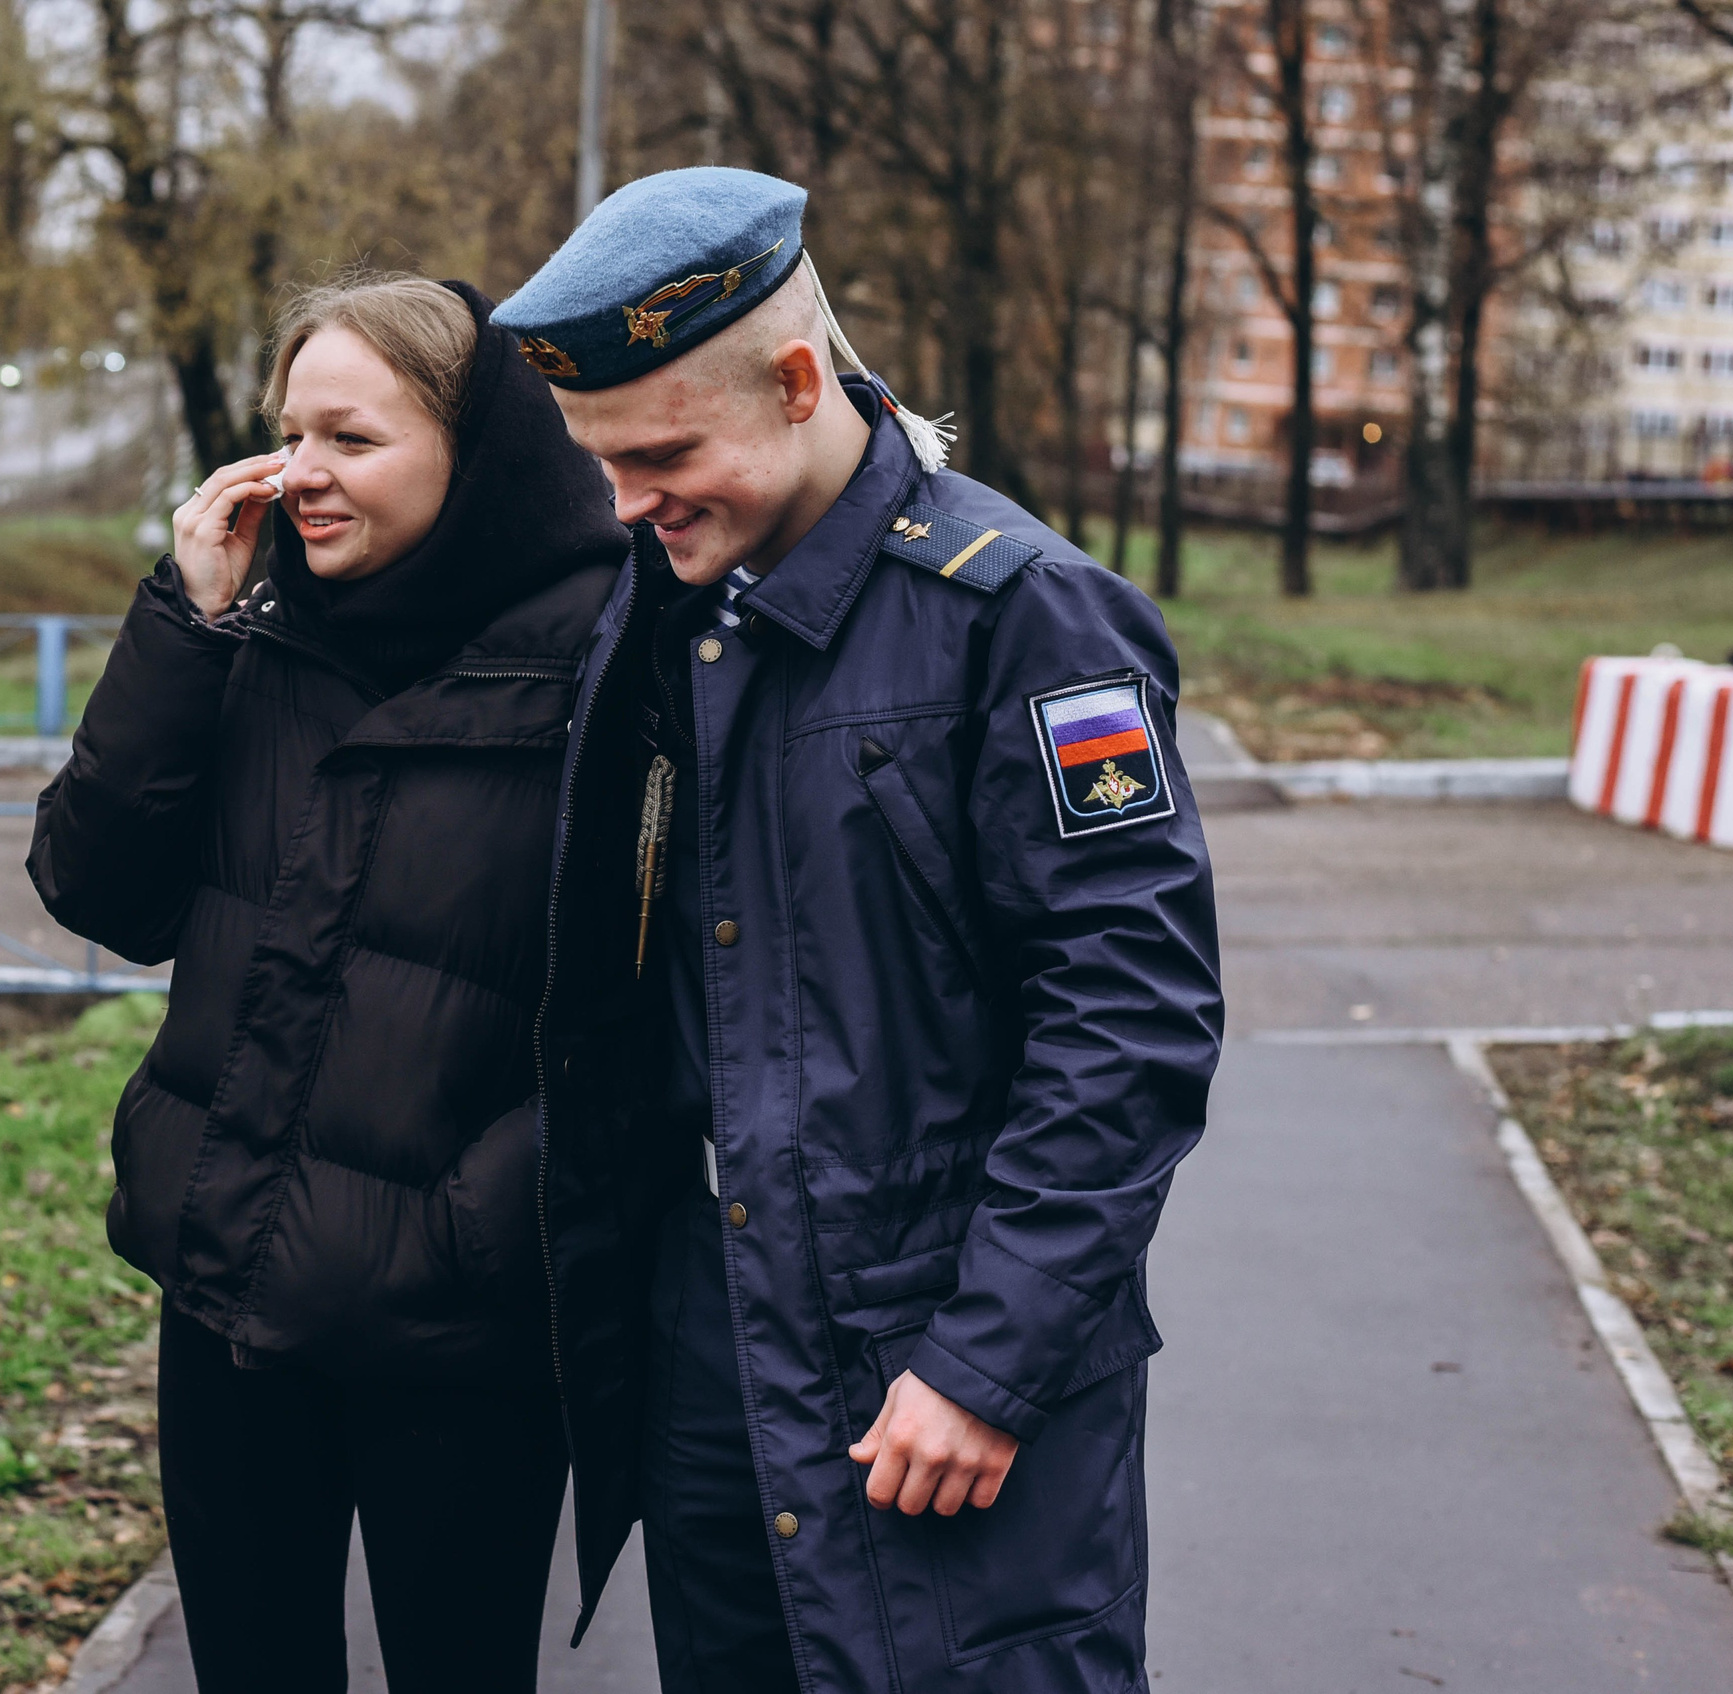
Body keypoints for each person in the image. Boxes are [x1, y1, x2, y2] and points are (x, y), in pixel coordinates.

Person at [491, 169, 1225, 1693]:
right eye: (602, 467)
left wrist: (987, 1360)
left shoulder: (1027, 617)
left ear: (801, 379)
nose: (627, 502)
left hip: (943, 1352)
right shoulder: (667, 595)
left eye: (663, 453)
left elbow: (1131, 1015)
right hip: (718, 1330)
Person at [26, 274, 627, 1694]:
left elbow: (651, 1007)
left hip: (456, 1321)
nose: (299, 475)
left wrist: (487, 1216)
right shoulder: (254, 628)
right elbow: (96, 891)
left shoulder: (610, 661)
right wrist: (184, 620)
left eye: (349, 440)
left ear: (472, 450)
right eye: (289, 434)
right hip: (230, 1287)